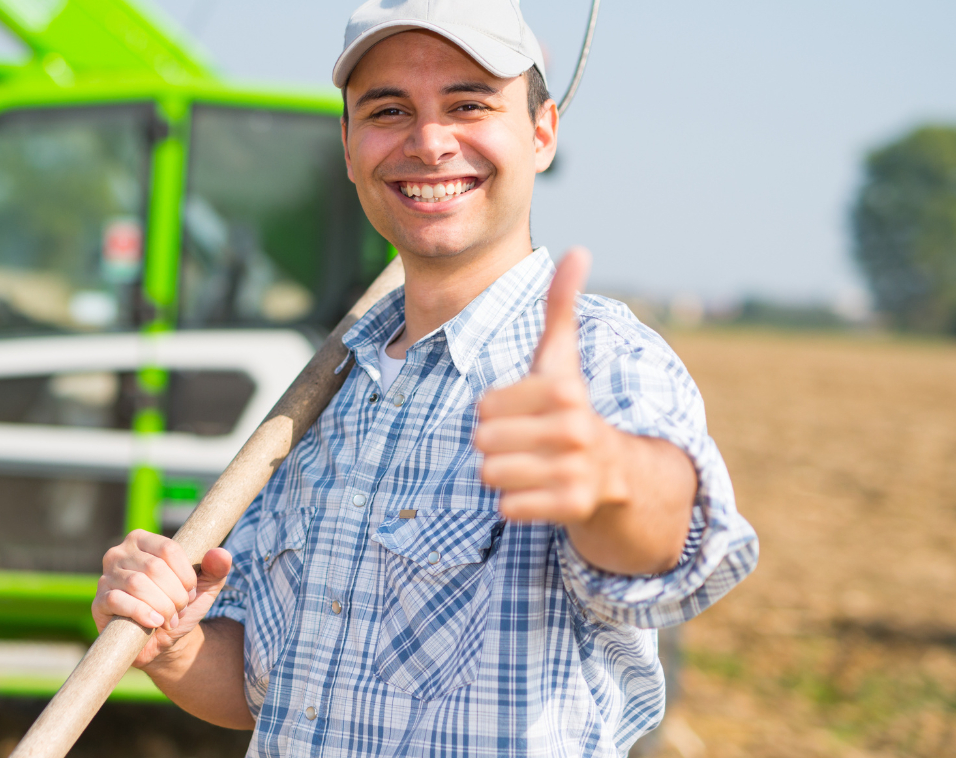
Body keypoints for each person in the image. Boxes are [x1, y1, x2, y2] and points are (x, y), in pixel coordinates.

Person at [91, 0, 759, 753]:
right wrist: (173, 644)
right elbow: (265, 692)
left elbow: (667, 537)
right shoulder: (326, 388)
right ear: (349, 148)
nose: (430, 142)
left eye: (469, 104)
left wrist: (607, 475)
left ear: (542, 132)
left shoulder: (602, 359)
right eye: (388, 111)